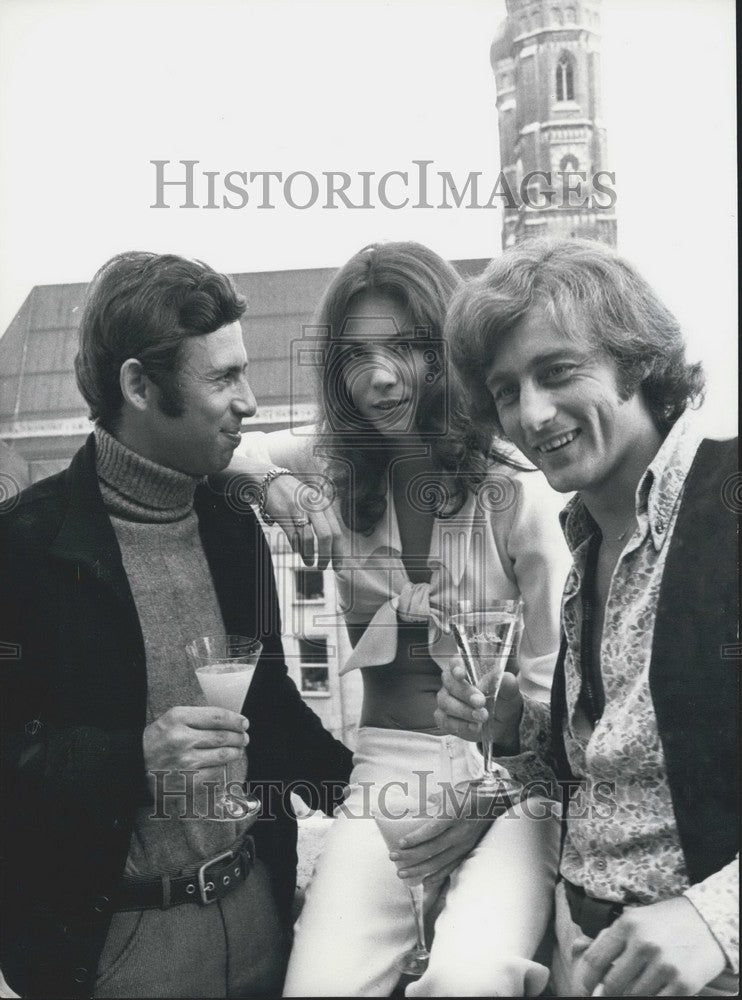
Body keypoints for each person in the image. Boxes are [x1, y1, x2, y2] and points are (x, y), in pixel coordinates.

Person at [0, 252, 353, 999]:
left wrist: (385, 806)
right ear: (138, 386)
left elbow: (271, 712)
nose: (249, 401)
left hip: (262, 927)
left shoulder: (231, 523)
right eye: (223, 378)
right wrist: (134, 759)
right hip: (118, 959)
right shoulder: (21, 547)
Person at [229, 241, 572, 996]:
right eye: (356, 355)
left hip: (513, 785)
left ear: (448, 354)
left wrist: (493, 794)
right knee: (318, 987)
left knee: (468, 977)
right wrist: (277, 485)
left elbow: (557, 709)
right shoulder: (332, 462)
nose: (379, 377)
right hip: (387, 767)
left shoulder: (518, 492)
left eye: (408, 347)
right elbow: (230, 454)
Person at [436, 237, 739, 997]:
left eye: (557, 371)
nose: (532, 414)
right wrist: (516, 724)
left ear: (636, 362)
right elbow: (610, 776)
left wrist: (717, 919)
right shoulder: (589, 543)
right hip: (585, 955)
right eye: (506, 391)